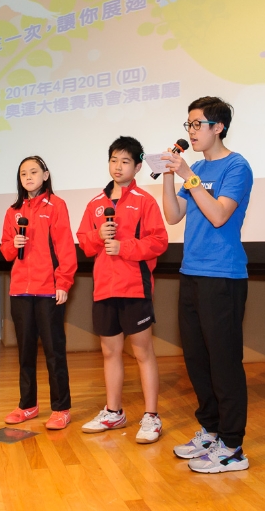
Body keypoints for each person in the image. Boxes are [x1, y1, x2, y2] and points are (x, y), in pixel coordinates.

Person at [161, 97, 254, 473]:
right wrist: (169, 175)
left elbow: (218, 215)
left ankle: (232, 447)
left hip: (223, 276)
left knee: (224, 362)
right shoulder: (196, 168)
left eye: (197, 124)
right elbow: (173, 216)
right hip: (192, 272)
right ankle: (211, 431)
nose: (191, 131)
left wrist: (188, 175)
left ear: (219, 127)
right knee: (197, 360)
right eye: (188, 125)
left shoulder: (237, 166)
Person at [76, 136, 169, 443]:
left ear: (138, 167)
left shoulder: (145, 201)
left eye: (125, 161)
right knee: (109, 352)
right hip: (104, 289)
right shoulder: (95, 204)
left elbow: (159, 242)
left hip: (134, 288)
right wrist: (98, 235)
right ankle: (113, 412)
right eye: (114, 160)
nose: (118, 166)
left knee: (142, 352)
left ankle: (151, 416)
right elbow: (84, 243)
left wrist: (123, 247)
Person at [0, 155, 77, 430]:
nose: (28, 177)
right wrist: (14, 243)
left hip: (48, 290)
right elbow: (6, 251)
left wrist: (63, 283)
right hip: (20, 290)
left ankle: (61, 408)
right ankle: (27, 405)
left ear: (45, 175)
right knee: (25, 352)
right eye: (23, 174)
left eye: (34, 172)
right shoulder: (13, 211)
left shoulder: (56, 205)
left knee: (54, 351)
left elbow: (65, 247)